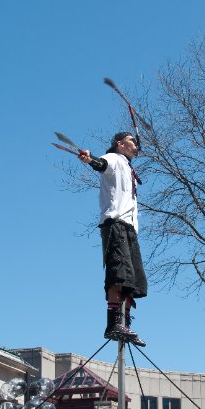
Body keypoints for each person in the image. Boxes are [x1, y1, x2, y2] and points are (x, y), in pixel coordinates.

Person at [78, 131, 147, 346]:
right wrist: (89, 159)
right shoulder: (114, 159)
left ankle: (125, 323)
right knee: (118, 273)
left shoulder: (128, 166)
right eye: (131, 141)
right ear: (120, 144)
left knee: (132, 279)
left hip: (130, 229)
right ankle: (113, 324)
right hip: (115, 224)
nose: (135, 145)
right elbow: (100, 164)